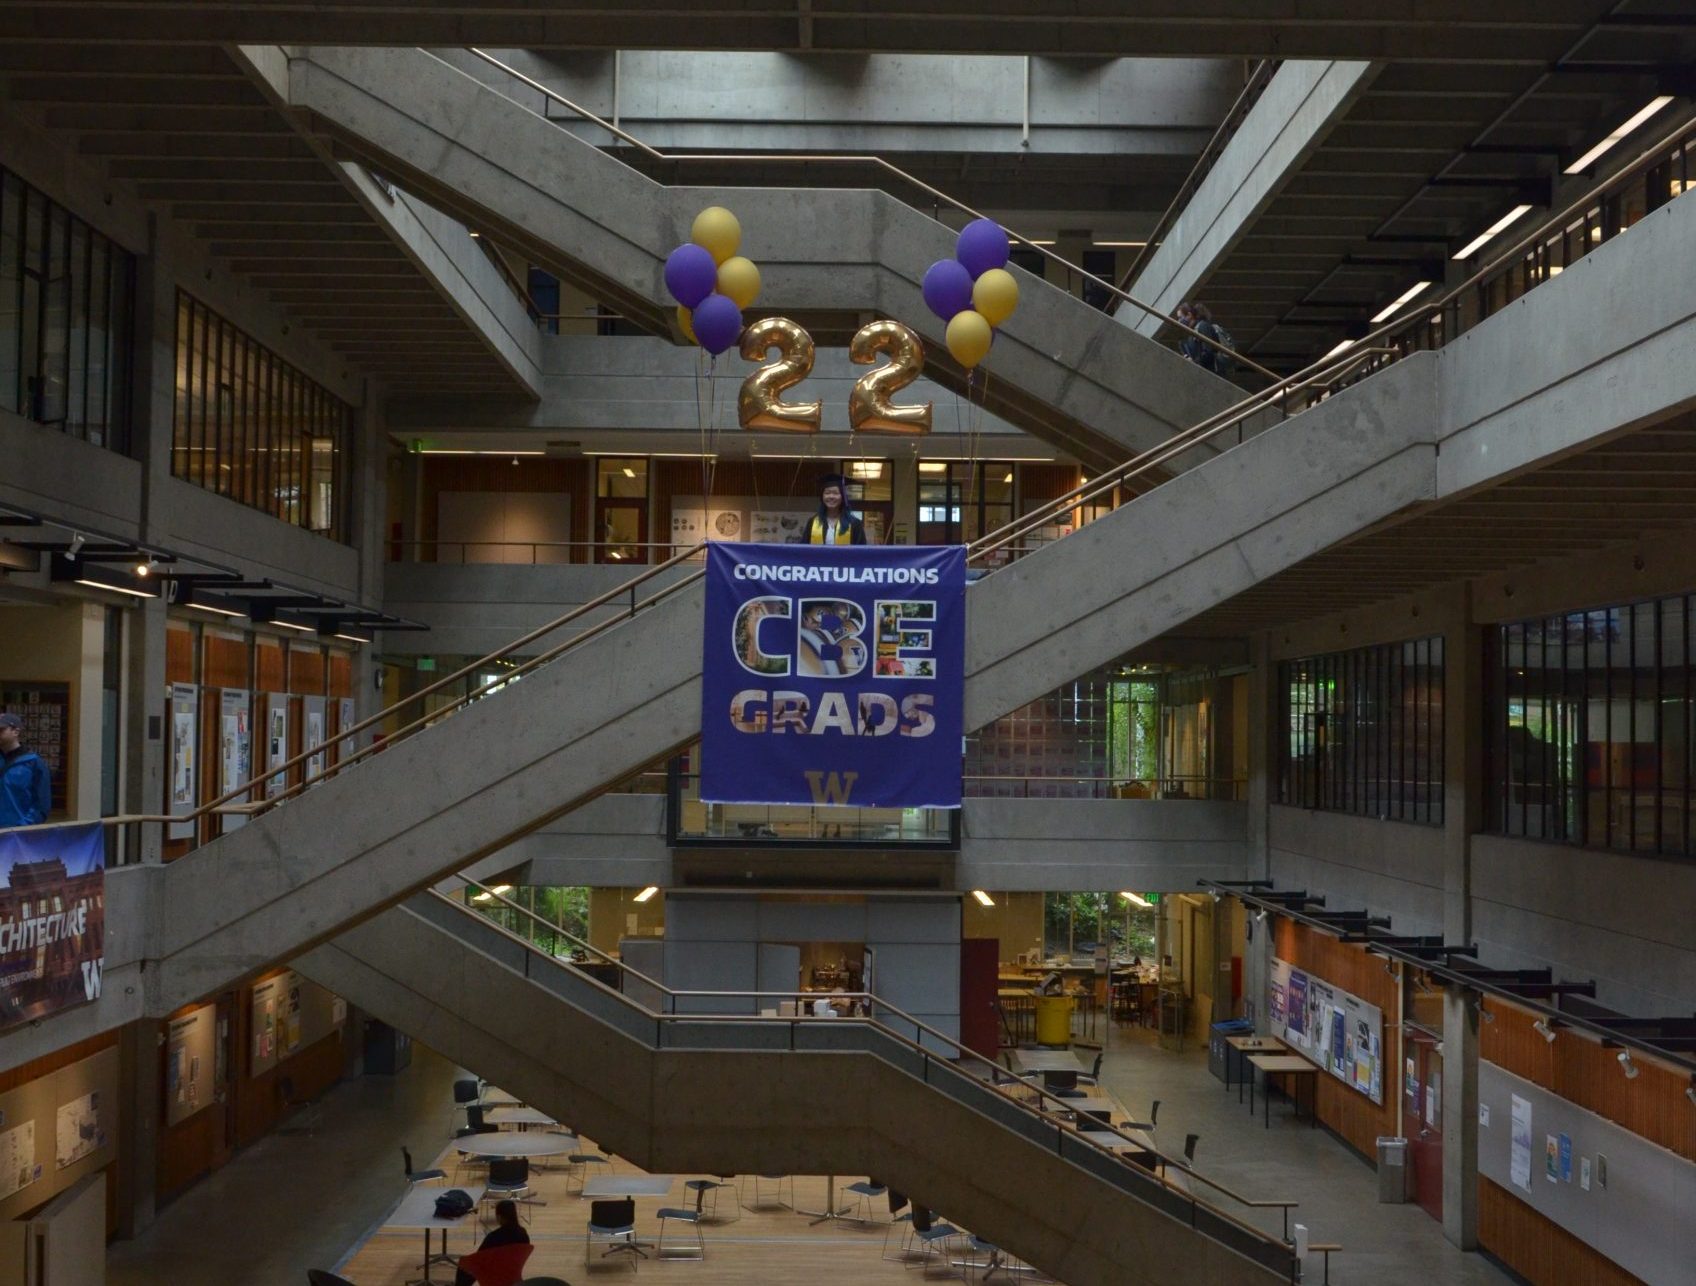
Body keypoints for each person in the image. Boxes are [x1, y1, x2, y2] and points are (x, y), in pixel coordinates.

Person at [453, 1199, 530, 1286]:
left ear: (499, 1217)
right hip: (513, 1271)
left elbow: (479, 1257)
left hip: (494, 1274)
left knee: (464, 1267)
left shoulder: (493, 1237)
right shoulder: (523, 1234)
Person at [0, 712, 51, 829]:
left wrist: (23, 828)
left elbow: (41, 804)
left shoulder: (34, 763)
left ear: (16, 732)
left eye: (1, 730)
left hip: (17, 834)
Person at [806, 473, 868, 545]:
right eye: (827, 493)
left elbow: (861, 552)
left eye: (835, 493)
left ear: (843, 497)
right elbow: (803, 550)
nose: (831, 496)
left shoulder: (855, 524)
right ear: (822, 497)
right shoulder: (812, 522)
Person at [1175, 301, 1226, 374]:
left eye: (1180, 317)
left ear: (1189, 315)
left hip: (1213, 371)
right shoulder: (1191, 334)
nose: (1179, 321)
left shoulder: (1202, 326)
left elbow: (1208, 351)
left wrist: (1194, 362)